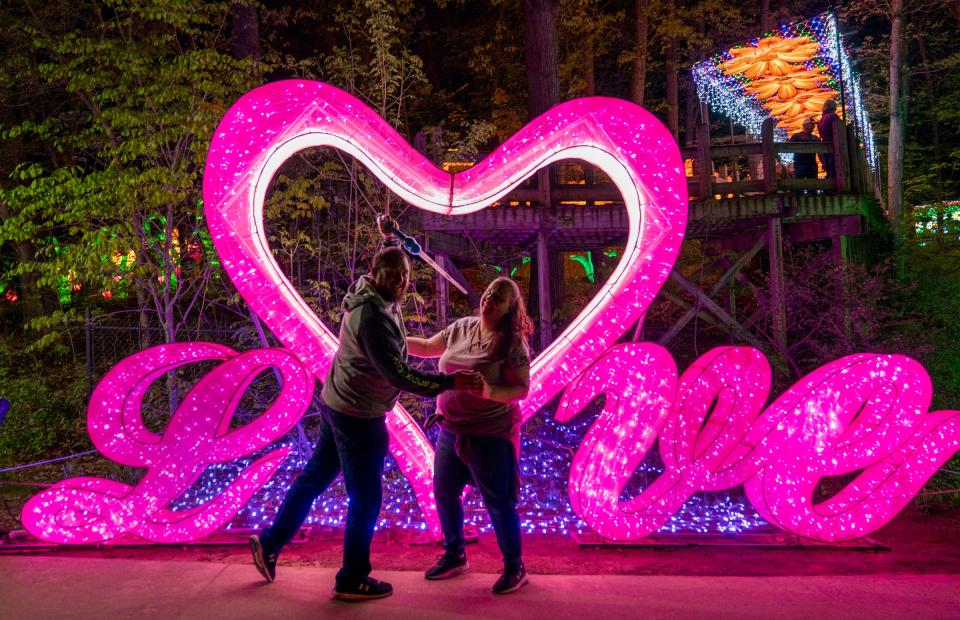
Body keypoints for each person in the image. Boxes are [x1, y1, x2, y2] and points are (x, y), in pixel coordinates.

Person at [249, 215, 483, 601]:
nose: (400, 281)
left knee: (314, 480)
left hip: (338, 402)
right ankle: (352, 578)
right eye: (392, 275)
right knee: (367, 498)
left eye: (403, 275)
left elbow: (392, 259)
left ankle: (271, 543)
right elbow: (399, 376)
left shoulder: (369, 293)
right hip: (358, 414)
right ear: (375, 274)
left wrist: (391, 238)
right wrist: (450, 382)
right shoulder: (372, 317)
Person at [407, 277, 533, 595]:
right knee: (444, 491)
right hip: (451, 429)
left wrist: (490, 391)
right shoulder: (462, 328)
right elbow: (425, 347)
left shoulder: (511, 344)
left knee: (498, 502)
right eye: (489, 292)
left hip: (490, 434)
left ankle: (515, 566)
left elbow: (521, 388)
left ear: (510, 308)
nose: (489, 299)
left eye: (499, 297)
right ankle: (455, 554)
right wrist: (388, 338)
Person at [790, 116, 820, 181]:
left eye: (814, 124)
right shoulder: (796, 136)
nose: (813, 126)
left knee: (813, 185)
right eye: (812, 124)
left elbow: (820, 152)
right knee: (799, 186)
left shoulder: (816, 138)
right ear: (806, 125)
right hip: (800, 164)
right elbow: (788, 148)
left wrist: (823, 163)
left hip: (811, 164)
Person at [818, 100, 840, 178]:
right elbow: (839, 129)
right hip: (834, 144)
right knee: (834, 167)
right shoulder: (833, 116)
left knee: (828, 166)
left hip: (824, 144)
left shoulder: (822, 119)